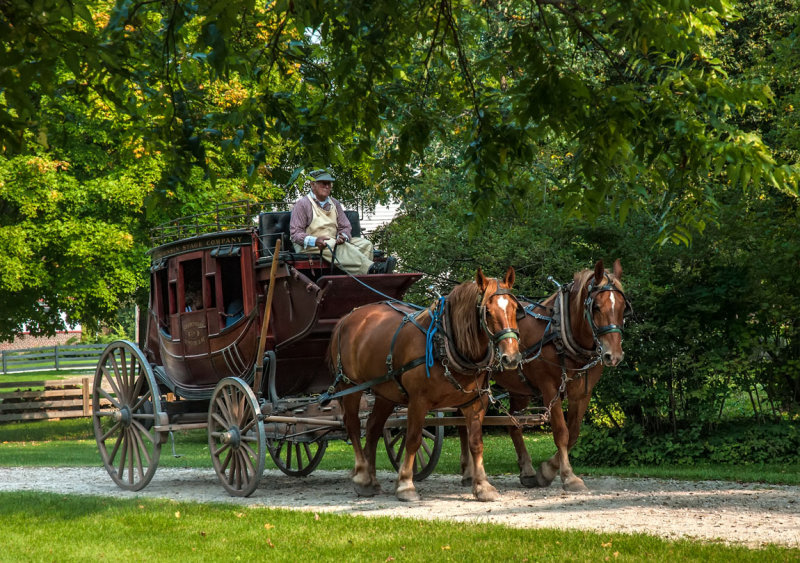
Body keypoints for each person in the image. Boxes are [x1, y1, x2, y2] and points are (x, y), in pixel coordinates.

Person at [289, 169, 396, 275]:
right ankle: (372, 269)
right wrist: (315, 240)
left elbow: (345, 226)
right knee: (333, 244)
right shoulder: (302, 204)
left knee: (365, 244)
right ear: (313, 185)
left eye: (329, 183)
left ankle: (362, 280)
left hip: (331, 240)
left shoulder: (334, 203)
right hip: (309, 245)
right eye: (324, 183)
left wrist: (343, 236)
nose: (327, 186)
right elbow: (295, 234)